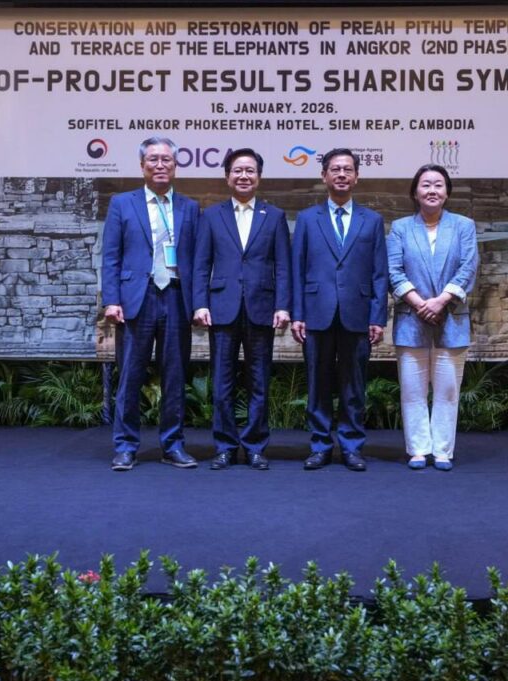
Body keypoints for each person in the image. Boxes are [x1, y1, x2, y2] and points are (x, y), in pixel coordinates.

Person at [101, 137, 200, 471]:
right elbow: (111, 256)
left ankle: (172, 445)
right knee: (130, 376)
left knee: (175, 377)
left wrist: (198, 303)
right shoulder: (122, 203)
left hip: (176, 297)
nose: (160, 165)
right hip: (136, 300)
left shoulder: (189, 207)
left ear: (175, 166)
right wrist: (111, 299)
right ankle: (125, 446)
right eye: (153, 159)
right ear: (142, 165)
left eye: (166, 159)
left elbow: (198, 261)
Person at [192, 148, 291, 470]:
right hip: (221, 308)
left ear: (259, 177)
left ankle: (255, 447)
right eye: (238, 170)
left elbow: (283, 266)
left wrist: (283, 306)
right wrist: (200, 303)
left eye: (250, 171)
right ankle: (224, 446)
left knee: (259, 382)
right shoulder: (211, 215)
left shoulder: (273, 216)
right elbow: (201, 264)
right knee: (222, 383)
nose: (244, 176)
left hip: (262, 308)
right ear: (227, 177)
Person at [290, 148, 388, 471]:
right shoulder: (307, 219)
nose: (342, 174)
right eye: (335, 169)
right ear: (324, 176)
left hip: (357, 314)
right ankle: (320, 445)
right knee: (317, 384)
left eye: (348, 169)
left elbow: (379, 273)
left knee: (353, 385)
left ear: (357, 176)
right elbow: (297, 269)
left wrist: (377, 317)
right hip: (316, 313)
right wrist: (297, 314)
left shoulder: (372, 220)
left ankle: (351, 446)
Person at [386, 164, 478, 471]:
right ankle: (418, 450)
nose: (432, 190)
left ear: (447, 192)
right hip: (411, 319)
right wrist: (419, 303)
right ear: (415, 192)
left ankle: (441, 451)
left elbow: (468, 267)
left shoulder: (463, 226)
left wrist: (441, 301)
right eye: (425, 185)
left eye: (438, 185)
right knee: (412, 391)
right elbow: (393, 270)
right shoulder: (401, 228)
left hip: (452, 317)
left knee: (447, 391)